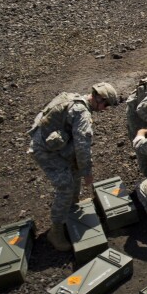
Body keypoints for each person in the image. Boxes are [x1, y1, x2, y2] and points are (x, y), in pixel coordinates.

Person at [28, 82, 119, 251]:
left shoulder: (74, 98)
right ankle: (55, 232)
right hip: (45, 151)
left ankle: (71, 206)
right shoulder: (82, 113)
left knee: (74, 169)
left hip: (54, 143)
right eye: (105, 104)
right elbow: (82, 146)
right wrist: (87, 172)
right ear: (98, 98)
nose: (105, 109)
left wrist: (79, 168)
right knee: (65, 186)